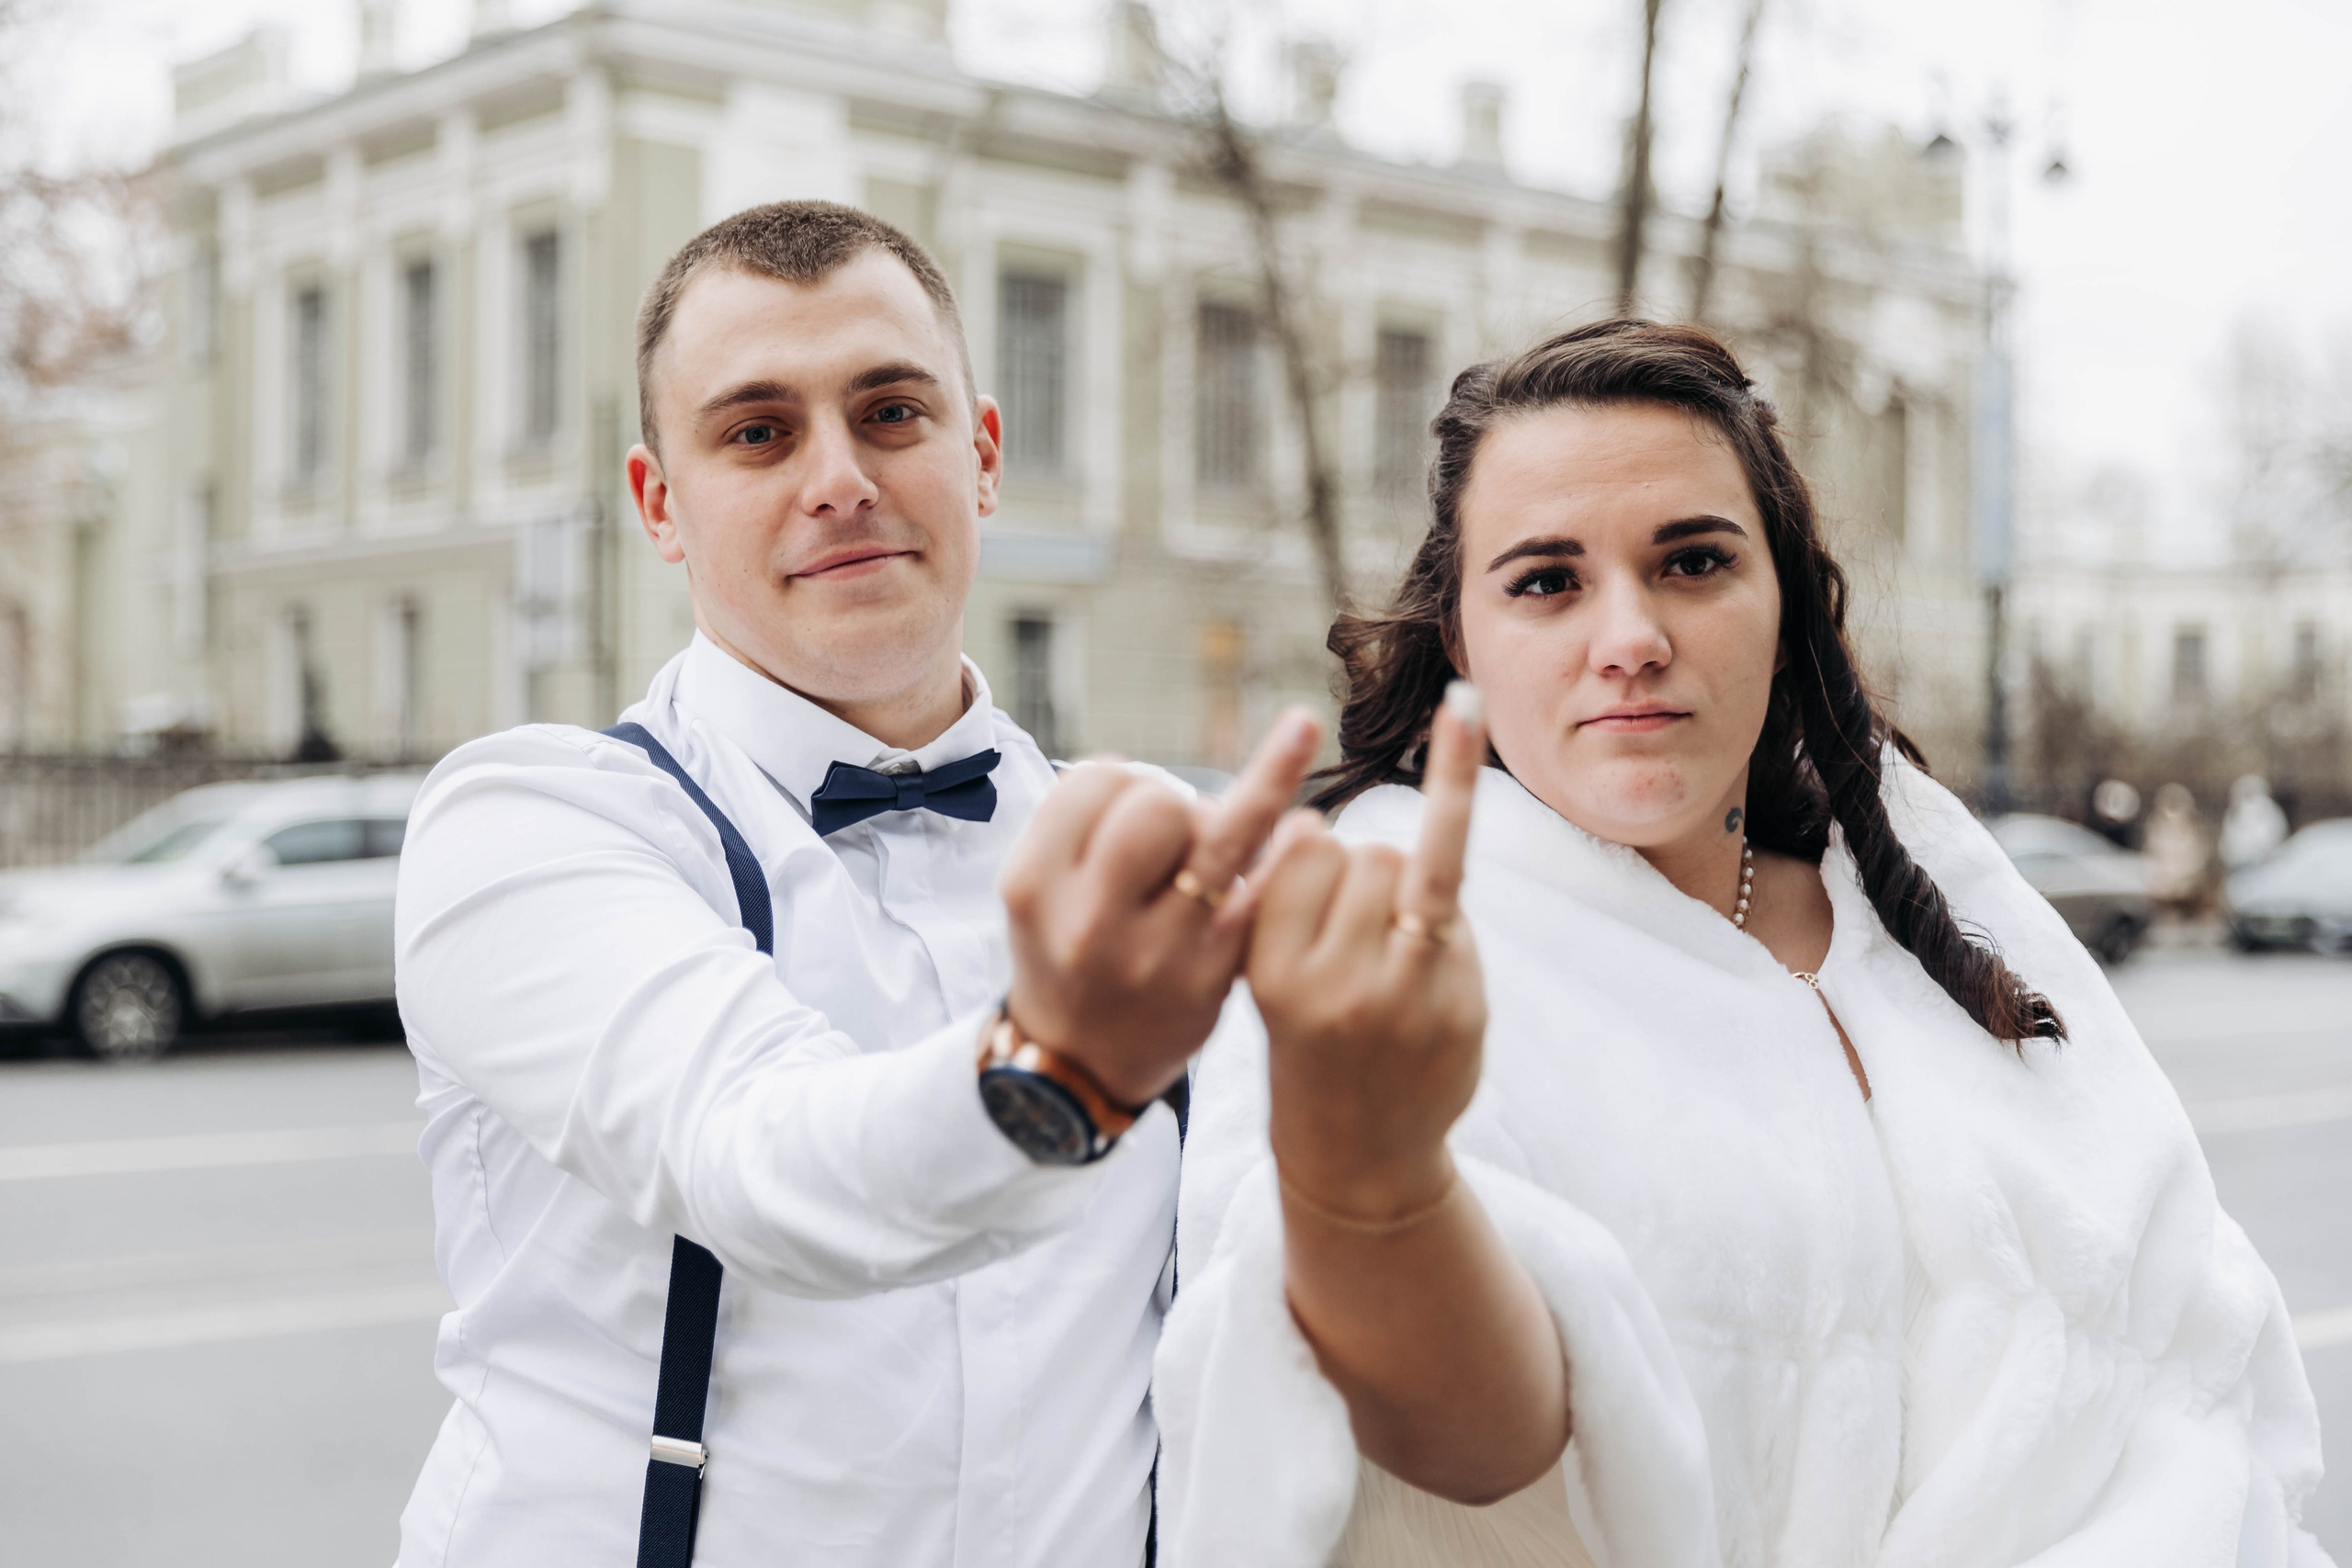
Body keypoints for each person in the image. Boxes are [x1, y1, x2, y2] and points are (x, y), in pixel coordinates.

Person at [1153, 322, 2331, 1567]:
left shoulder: (1927, 875)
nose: (1631, 636)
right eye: (1547, 581)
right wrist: (1372, 1185)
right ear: (1461, 639)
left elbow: (2193, 1338)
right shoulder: (1371, 934)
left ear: (1782, 601)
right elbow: (1356, 1450)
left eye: (1694, 561)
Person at [391, 200, 1319, 1565]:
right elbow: (759, 1155)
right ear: (662, 503)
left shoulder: (1158, 851)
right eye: (758, 432)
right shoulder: (530, 820)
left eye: (891, 413)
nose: (839, 477)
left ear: (982, 454)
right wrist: (1057, 1074)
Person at [2222, 774, 2290, 870]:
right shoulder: (2233, 813)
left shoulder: (2265, 807)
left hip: (2264, 861)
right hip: (2242, 865)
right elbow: (2229, 841)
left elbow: (2272, 831)